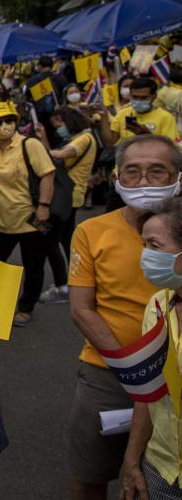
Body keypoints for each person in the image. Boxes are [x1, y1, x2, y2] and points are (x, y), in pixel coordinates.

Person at [68, 134, 180, 500]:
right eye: (132, 172)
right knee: (90, 473)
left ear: (178, 177)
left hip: (177, 371)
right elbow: (82, 309)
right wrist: (134, 369)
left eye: (157, 171)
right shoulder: (90, 231)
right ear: (116, 180)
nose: (144, 182)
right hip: (110, 371)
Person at [121, 197, 182, 500]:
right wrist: (133, 460)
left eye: (155, 246)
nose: (145, 256)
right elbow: (149, 390)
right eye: (144, 245)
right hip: (162, 465)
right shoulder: (158, 305)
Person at [0, 102, 56, 327]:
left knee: (33, 267)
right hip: (3, 222)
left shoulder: (29, 145)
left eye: (8, 121)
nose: (4, 126)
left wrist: (44, 205)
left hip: (32, 219)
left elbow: (48, 174)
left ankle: (26, 307)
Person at [37, 107, 99, 304]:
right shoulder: (80, 137)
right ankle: (78, 282)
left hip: (67, 196)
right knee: (66, 241)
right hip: (70, 196)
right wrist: (44, 137)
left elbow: (60, 155)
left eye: (60, 124)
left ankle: (63, 287)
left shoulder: (83, 139)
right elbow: (53, 157)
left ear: (70, 121)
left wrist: (35, 151)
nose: (59, 129)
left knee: (49, 243)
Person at [100, 76, 179, 146]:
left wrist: (148, 136)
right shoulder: (122, 113)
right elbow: (110, 142)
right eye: (135, 97)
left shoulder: (166, 117)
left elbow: (171, 148)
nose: (138, 101)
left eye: (144, 98)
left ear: (154, 96)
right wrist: (103, 116)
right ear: (130, 94)